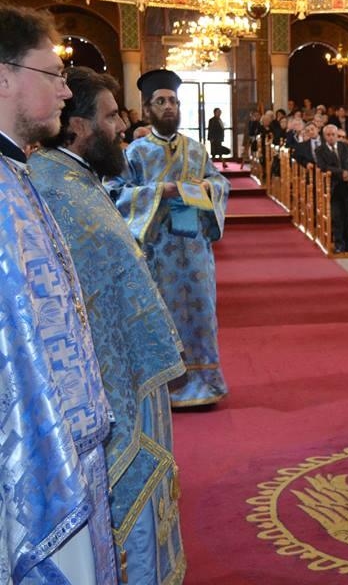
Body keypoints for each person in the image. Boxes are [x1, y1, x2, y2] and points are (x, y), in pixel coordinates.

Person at [30, 66, 187, 583]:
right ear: (76, 126)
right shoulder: (54, 187)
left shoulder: (78, 178)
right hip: (110, 385)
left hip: (129, 377)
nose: (123, 125)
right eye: (110, 114)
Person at [0, 4, 115, 584]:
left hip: (63, 446)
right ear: (3, 77)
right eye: (53, 74)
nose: (67, 92)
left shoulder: (18, 174)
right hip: (27, 463)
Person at [106, 69, 231, 408]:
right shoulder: (134, 153)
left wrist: (208, 188)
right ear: (147, 109)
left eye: (173, 101)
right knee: (162, 317)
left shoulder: (195, 150)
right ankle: (167, 387)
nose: (168, 107)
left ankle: (205, 381)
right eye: (160, 102)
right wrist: (161, 191)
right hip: (156, 253)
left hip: (194, 252)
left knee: (202, 315)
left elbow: (221, 183)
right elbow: (113, 193)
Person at [317, 123, 348, 252]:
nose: (331, 137)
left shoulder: (345, 146)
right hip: (333, 186)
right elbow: (324, 167)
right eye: (328, 135)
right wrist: (341, 173)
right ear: (324, 136)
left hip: (347, 186)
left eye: (334, 134)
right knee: (337, 217)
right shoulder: (320, 150)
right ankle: (339, 244)